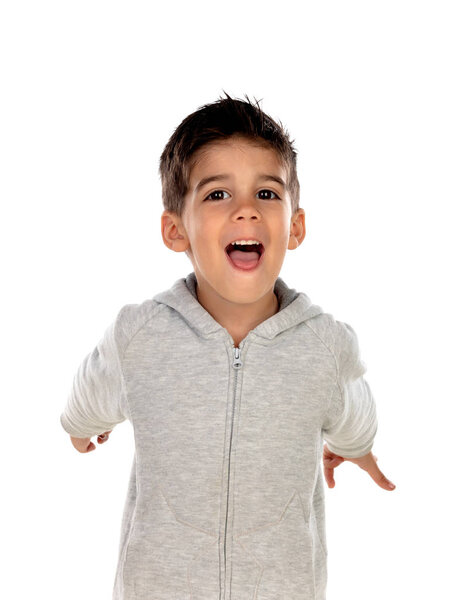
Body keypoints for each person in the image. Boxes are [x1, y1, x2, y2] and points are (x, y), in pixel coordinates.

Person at [60, 92, 395, 600]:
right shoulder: (141, 336)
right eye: (218, 195)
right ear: (176, 230)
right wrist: (80, 427)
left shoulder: (324, 346)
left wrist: (356, 450)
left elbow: (354, 407)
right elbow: (93, 384)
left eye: (267, 194)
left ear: (295, 226)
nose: (245, 212)